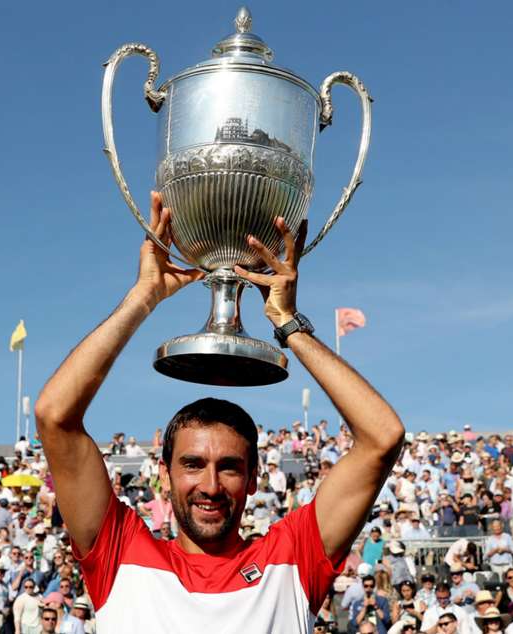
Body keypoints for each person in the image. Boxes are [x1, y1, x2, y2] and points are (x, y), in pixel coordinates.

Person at [35, 198, 405, 631]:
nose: (210, 486)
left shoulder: (291, 558)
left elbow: (382, 437)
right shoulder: (120, 552)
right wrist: (143, 296)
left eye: (229, 467)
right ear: (164, 474)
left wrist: (288, 323)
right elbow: (54, 416)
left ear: (253, 479)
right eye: (193, 464)